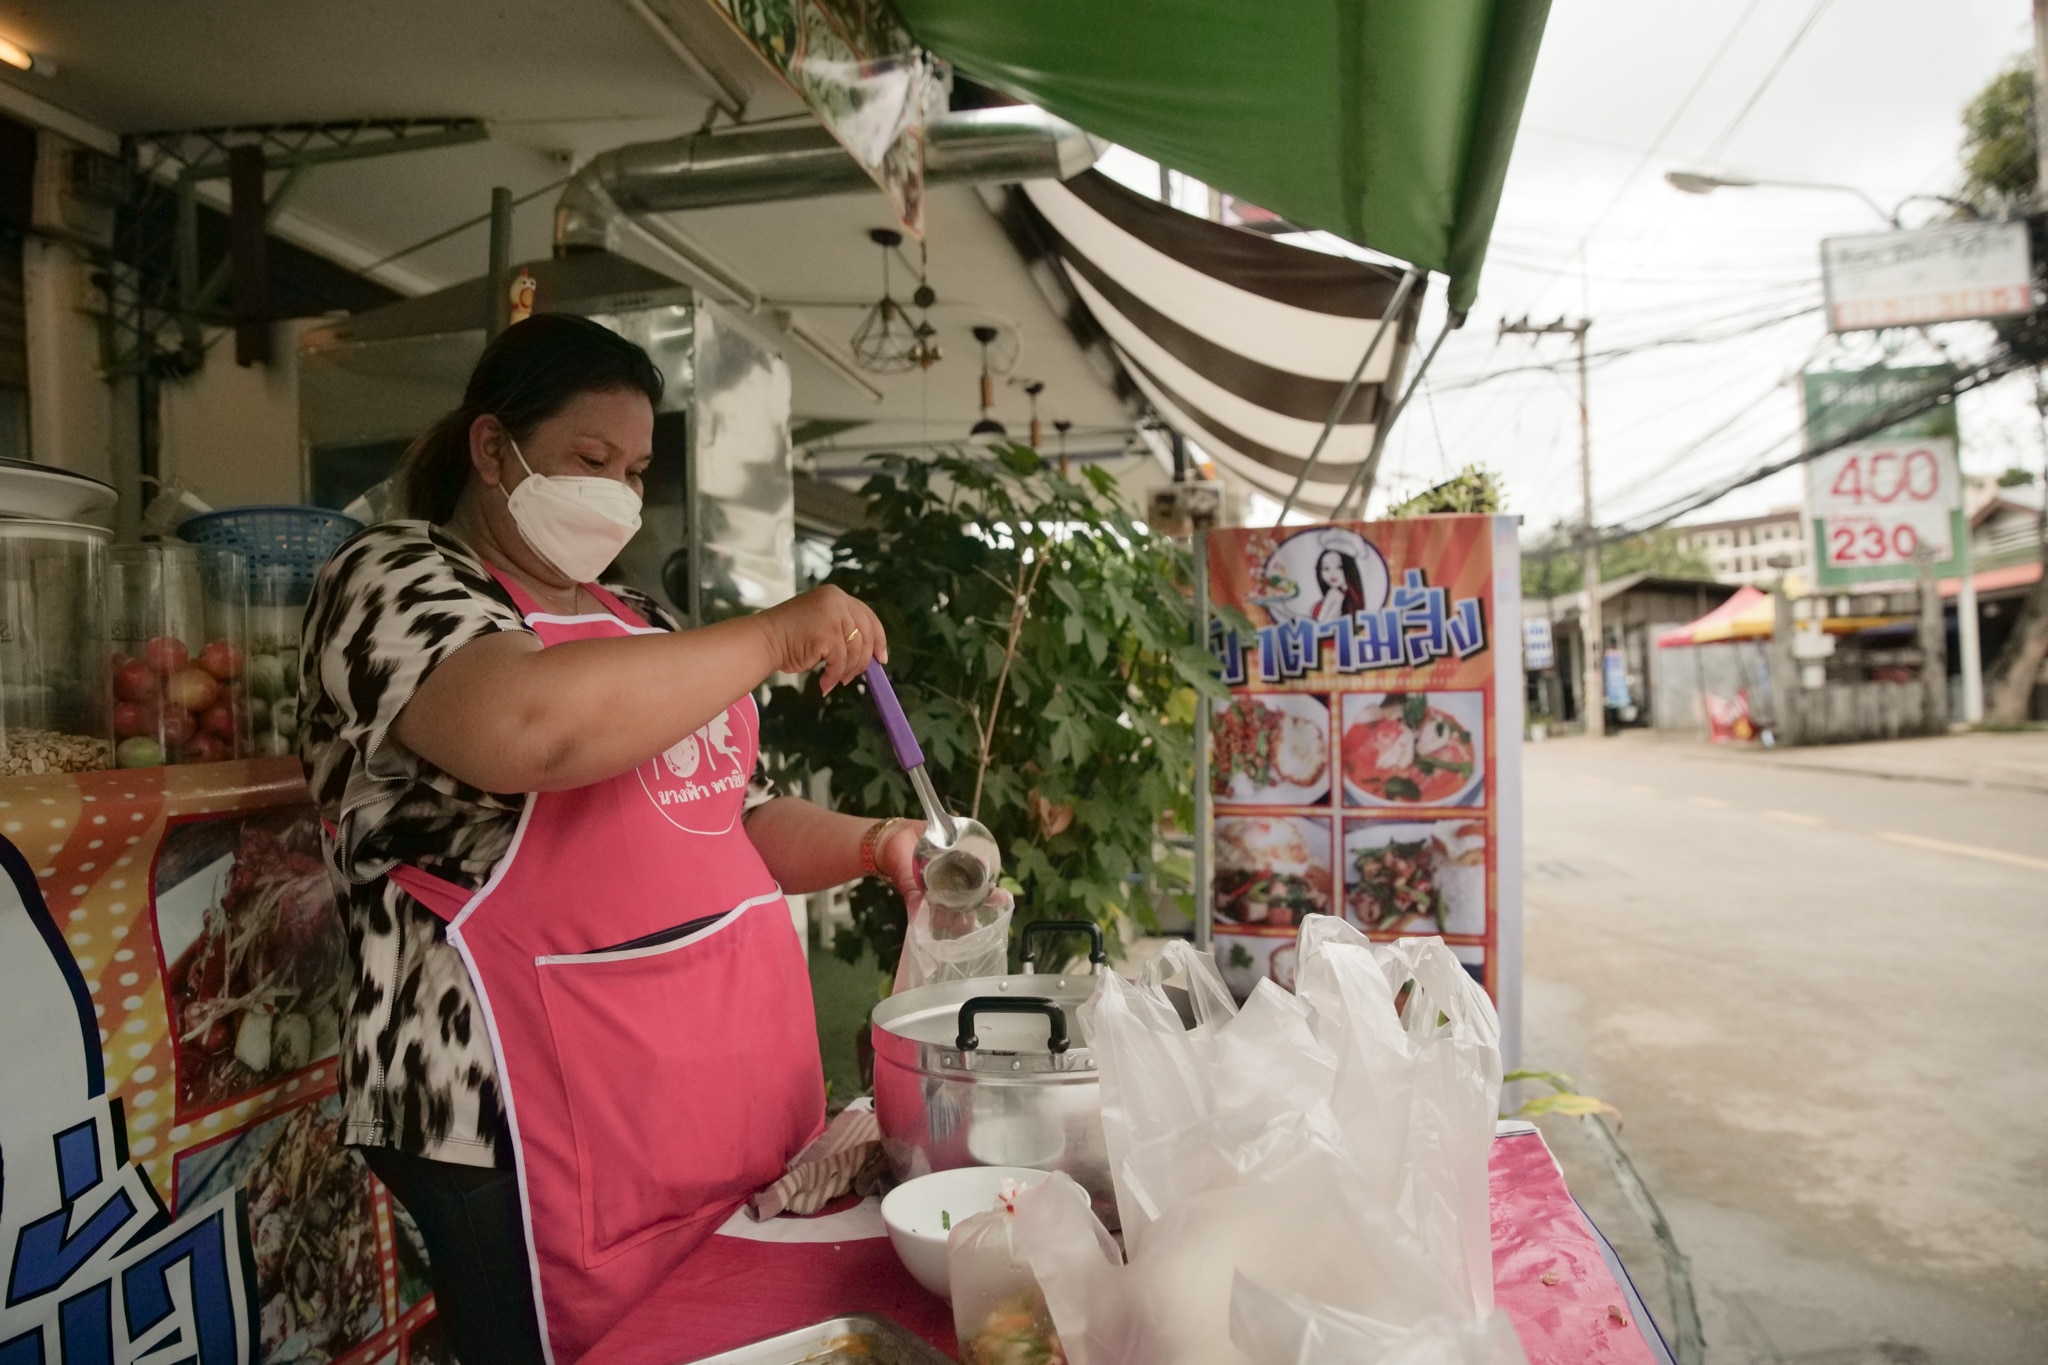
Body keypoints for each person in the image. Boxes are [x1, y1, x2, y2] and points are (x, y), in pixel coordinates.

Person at [299, 314, 924, 1364]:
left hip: (687, 1089)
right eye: (589, 461)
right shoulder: (390, 578)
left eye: (634, 470)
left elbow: (734, 818)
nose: (618, 495)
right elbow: (528, 731)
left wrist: (876, 843)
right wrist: (771, 634)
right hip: (500, 1109)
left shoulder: (633, 614)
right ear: (491, 448)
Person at [1311, 547, 1368, 622]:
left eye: (1339, 567)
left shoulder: (1335, 594)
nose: (1332, 574)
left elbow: (1321, 627)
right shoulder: (1333, 595)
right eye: (1326, 568)